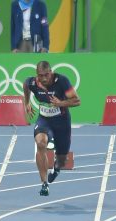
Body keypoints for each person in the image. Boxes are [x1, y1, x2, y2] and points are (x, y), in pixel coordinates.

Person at [23, 61, 80, 197]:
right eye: (40, 75)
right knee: (40, 143)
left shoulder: (62, 81)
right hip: (44, 120)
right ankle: (44, 184)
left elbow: (77, 101)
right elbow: (25, 85)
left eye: (46, 75)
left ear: (51, 72)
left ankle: (57, 168)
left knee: (62, 159)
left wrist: (61, 103)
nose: (43, 78)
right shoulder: (33, 83)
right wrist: (27, 102)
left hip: (62, 122)